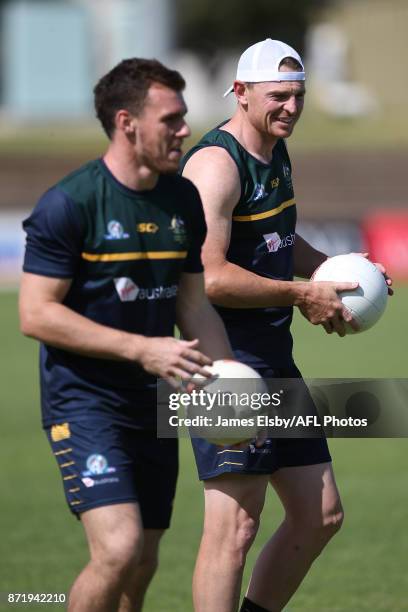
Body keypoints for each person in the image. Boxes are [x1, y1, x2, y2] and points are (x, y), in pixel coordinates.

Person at [181, 39, 392, 612]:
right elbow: (210, 277)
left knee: (320, 514)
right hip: (222, 365)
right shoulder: (215, 167)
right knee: (233, 531)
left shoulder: (276, 151)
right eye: (278, 96)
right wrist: (304, 294)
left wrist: (338, 276)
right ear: (241, 94)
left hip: (274, 358)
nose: (290, 108)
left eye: (297, 96)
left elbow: (277, 240)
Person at [19, 57, 232, 612]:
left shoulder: (182, 199)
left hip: (153, 402)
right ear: (127, 123)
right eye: (172, 119)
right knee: (118, 548)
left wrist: (229, 387)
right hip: (85, 400)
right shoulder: (70, 204)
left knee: (141, 564)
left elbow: (193, 302)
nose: (185, 130)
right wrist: (143, 349)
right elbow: (36, 314)